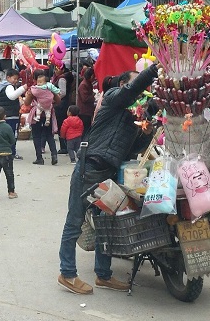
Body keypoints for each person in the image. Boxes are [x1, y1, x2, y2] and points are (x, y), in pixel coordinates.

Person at [58, 65, 158, 295]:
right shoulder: (113, 99)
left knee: (106, 224)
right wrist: (153, 70)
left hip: (109, 173)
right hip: (89, 167)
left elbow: (133, 149)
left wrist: (147, 132)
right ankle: (67, 273)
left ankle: (103, 275)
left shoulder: (134, 116)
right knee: (74, 221)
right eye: (138, 90)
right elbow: (131, 91)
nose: (142, 95)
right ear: (124, 85)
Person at [24, 69, 60, 166]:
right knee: (49, 135)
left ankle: (39, 158)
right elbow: (58, 100)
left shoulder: (33, 89)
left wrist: (29, 95)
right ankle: (54, 154)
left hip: (37, 115)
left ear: (34, 78)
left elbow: (26, 103)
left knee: (36, 136)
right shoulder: (50, 87)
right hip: (48, 114)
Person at [0, 69, 27, 160]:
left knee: (5, 134)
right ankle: (11, 152)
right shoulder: (9, 86)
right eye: (14, 78)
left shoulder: (1, 86)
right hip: (11, 114)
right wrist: (23, 88)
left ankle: (5, 152)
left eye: (17, 79)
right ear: (8, 77)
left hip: (5, 114)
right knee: (12, 135)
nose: (16, 81)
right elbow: (12, 96)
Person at [52, 64, 74, 155]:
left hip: (61, 104)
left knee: (62, 125)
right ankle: (64, 146)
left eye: (57, 69)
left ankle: (64, 146)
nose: (55, 71)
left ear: (62, 69)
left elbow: (62, 92)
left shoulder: (61, 79)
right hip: (63, 104)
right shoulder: (61, 78)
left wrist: (55, 99)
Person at [77, 68, 96, 137]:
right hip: (84, 111)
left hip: (87, 111)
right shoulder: (84, 85)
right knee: (85, 130)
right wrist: (94, 96)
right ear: (91, 76)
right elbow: (85, 98)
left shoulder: (87, 83)